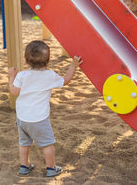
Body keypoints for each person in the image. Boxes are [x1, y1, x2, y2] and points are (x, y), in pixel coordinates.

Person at [8, 40, 82, 177]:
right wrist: (73, 65)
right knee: (47, 145)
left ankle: (24, 166)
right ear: (48, 61)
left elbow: (14, 91)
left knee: (24, 143)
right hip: (39, 119)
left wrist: (11, 77)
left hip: (23, 118)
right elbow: (65, 80)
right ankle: (51, 169)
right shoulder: (49, 75)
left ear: (25, 60)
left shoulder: (22, 76)